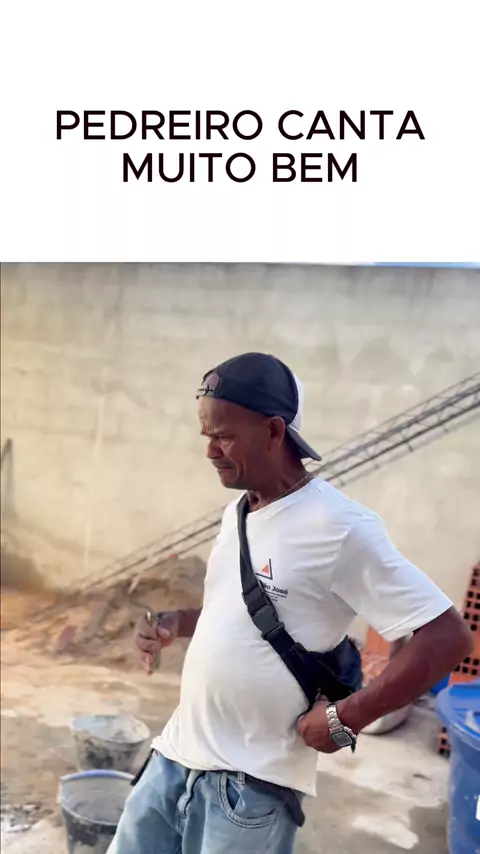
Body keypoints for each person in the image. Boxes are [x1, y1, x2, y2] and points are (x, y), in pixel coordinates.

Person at [108, 352, 472, 854]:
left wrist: (347, 717)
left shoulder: (340, 527)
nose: (209, 450)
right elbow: (235, 611)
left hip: (250, 787)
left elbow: (448, 636)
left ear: (274, 431)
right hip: (174, 758)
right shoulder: (237, 513)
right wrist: (174, 622)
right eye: (206, 435)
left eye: (223, 436)